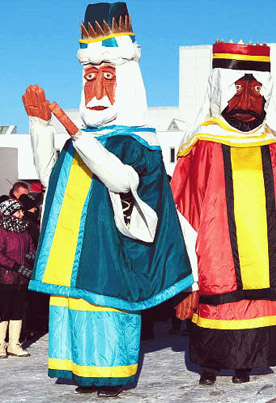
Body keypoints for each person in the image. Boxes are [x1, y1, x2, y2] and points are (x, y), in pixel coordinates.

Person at [22, 2, 192, 398]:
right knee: (74, 314)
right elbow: (51, 179)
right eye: (90, 77)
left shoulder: (137, 142)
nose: (96, 90)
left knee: (108, 314)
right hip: (73, 255)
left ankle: (113, 377)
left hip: (111, 254)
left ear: (126, 81)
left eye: (108, 77)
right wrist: (39, 126)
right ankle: (84, 373)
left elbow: (121, 180)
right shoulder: (80, 139)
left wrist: (77, 135)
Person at [172, 40, 276, 385]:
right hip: (215, 253)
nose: (246, 102)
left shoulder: (269, 144)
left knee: (255, 307)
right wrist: (189, 277)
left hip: (263, 254)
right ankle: (211, 366)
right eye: (237, 90)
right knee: (217, 307)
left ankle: (245, 364)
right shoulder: (202, 143)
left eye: (256, 91)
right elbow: (184, 207)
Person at [0, 199, 35, 358]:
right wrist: (15, 266)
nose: (22, 214)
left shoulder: (24, 230)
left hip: (21, 278)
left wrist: (31, 256)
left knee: (18, 309)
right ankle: (1, 345)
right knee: (3, 310)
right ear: (9, 213)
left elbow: (30, 248)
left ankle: (14, 344)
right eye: (18, 211)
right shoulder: (2, 231)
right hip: (5, 277)